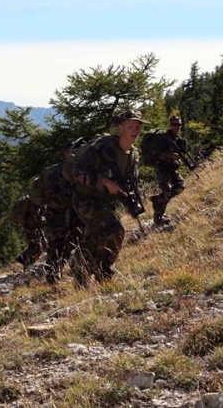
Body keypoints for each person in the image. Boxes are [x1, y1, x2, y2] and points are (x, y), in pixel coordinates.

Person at [71, 110, 145, 284]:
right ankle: (97, 270)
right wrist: (103, 182)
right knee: (114, 228)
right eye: (130, 126)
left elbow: (129, 183)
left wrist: (131, 202)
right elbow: (77, 172)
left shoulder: (133, 155)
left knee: (103, 234)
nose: (134, 130)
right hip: (86, 198)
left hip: (106, 202)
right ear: (120, 127)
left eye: (137, 127)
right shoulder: (103, 147)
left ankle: (93, 269)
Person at [31, 142, 84, 284]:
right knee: (61, 244)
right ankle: (53, 277)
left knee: (61, 244)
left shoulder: (52, 171)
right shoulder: (67, 171)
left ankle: (55, 276)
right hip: (62, 214)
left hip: (59, 214)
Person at [150, 116, 188, 226]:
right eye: (174, 124)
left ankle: (158, 199)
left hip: (172, 169)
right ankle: (158, 217)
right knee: (167, 192)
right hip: (162, 169)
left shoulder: (178, 140)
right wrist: (170, 155)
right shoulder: (164, 139)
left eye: (179, 124)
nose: (177, 127)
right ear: (170, 125)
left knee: (180, 186)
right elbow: (157, 154)